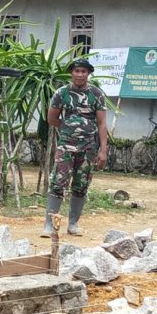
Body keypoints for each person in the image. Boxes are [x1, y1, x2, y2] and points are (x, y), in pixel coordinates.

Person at [41, 58, 108, 237]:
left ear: (88, 73)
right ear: (71, 72)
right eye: (76, 71)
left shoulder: (96, 94)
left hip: (88, 148)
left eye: (83, 71)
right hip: (66, 146)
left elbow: (102, 123)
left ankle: (73, 224)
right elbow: (52, 118)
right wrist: (69, 128)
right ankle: (49, 225)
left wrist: (103, 150)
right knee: (58, 182)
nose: (79, 74)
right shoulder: (62, 93)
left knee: (81, 185)